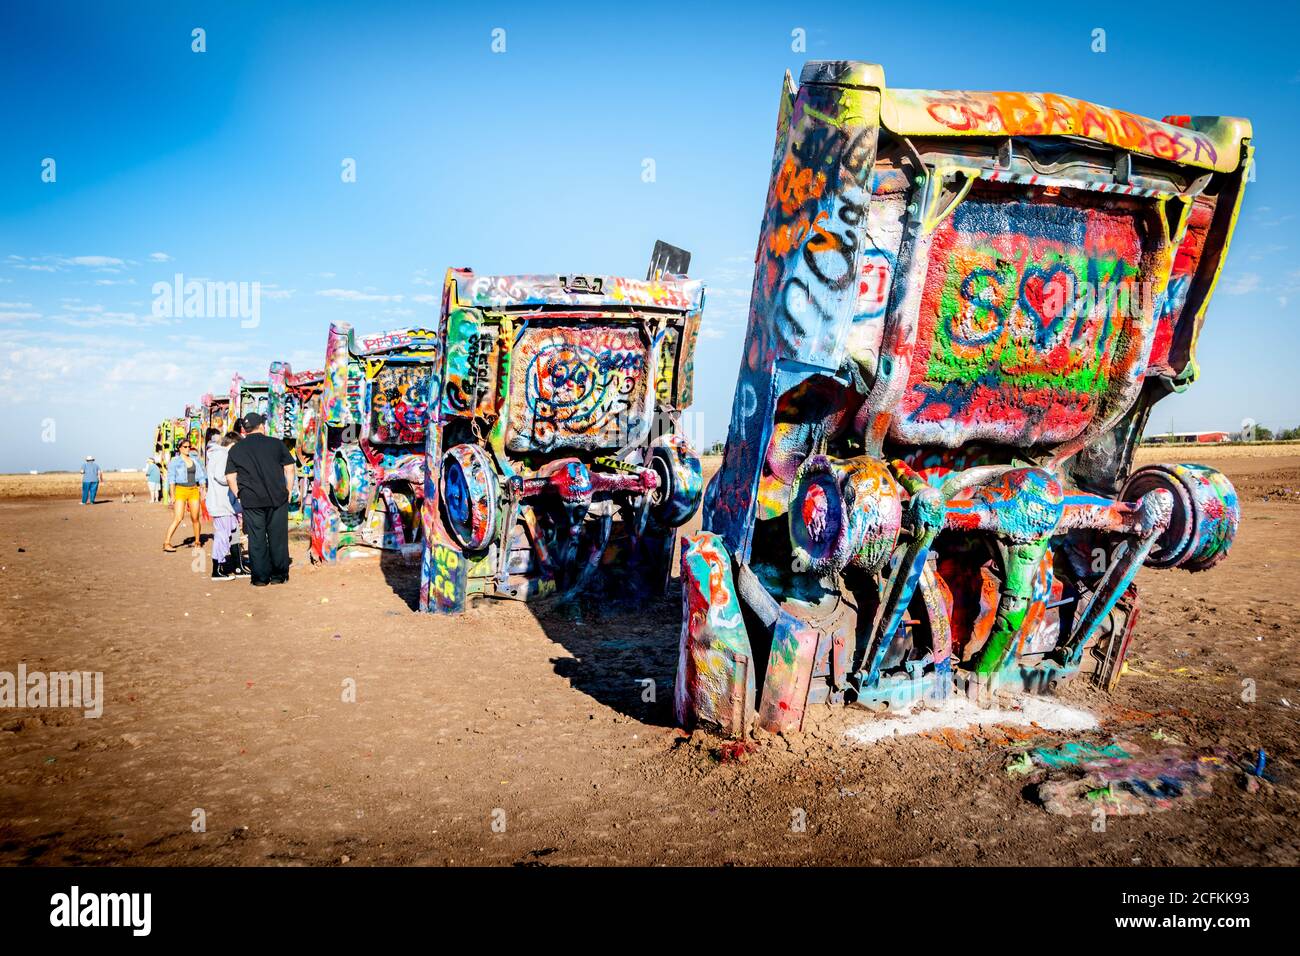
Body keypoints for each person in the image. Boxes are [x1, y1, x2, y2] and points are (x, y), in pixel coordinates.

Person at [225, 412, 295, 586]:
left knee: (256, 538)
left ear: (245, 429)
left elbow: (230, 477)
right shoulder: (276, 444)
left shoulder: (236, 449)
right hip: (277, 497)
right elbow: (290, 469)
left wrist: (238, 495)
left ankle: (260, 578)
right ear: (262, 426)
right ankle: (278, 575)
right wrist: (288, 490)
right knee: (277, 537)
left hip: (251, 499)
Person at [205, 432, 244, 580]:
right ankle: (217, 570)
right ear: (232, 445)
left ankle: (223, 567)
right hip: (222, 504)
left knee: (227, 534)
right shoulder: (222, 455)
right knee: (222, 535)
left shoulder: (217, 454)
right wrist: (236, 477)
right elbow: (221, 476)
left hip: (221, 503)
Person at [163, 438, 206, 552]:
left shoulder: (195, 460)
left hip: (193, 491)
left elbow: (201, 475)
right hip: (180, 490)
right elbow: (171, 479)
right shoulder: (175, 461)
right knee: (178, 518)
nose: (187, 449)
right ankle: (166, 543)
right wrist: (172, 495)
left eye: (189, 447)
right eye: (185, 447)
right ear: (179, 448)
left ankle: (197, 541)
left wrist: (203, 488)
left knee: (195, 518)